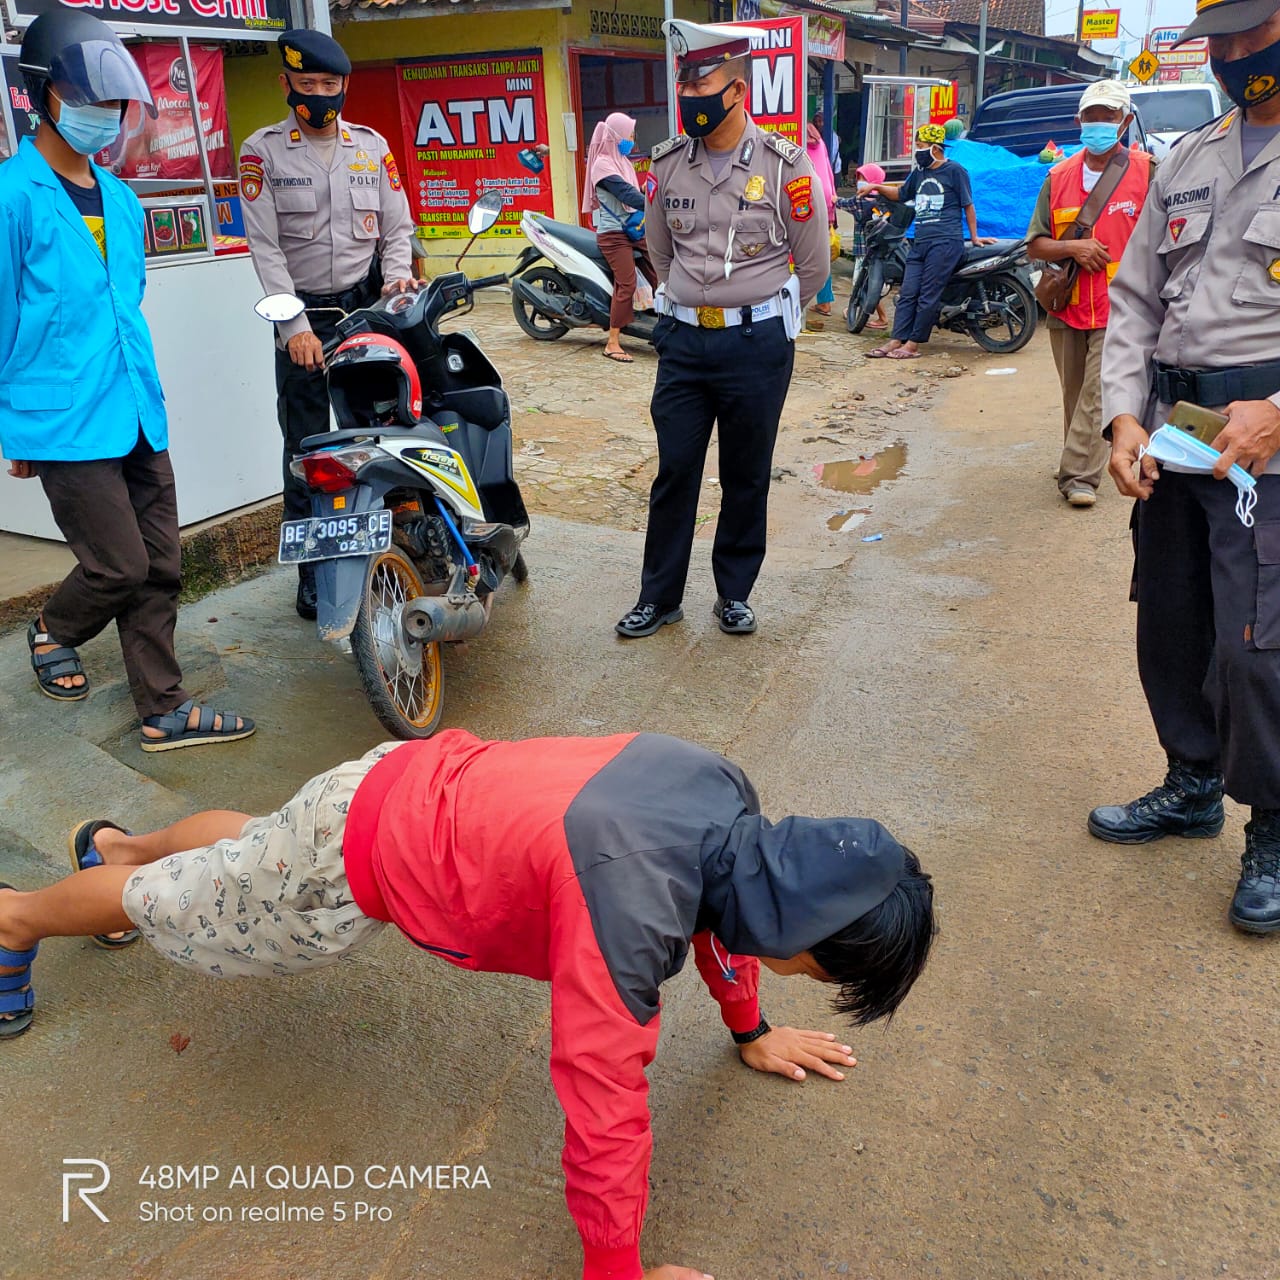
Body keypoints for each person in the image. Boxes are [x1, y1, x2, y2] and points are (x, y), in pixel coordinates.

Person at [0, 729, 937, 1280]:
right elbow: (604, 1100)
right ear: (804, 935)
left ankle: (121, 843)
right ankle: (20, 919)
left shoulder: (725, 798)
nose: (822, 981)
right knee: (187, 903)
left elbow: (722, 918)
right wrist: (617, 1273)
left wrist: (751, 1029)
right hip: (362, 854)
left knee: (256, 849)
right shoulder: (629, 910)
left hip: (389, 781)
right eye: (830, 972)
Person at [1, 11, 253, 760]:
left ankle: (164, 709)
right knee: (119, 563)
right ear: (44, 96)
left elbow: (126, 302)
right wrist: (14, 429)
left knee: (163, 562)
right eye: (91, 103)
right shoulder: (12, 197)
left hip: (137, 404)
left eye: (114, 106)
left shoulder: (119, 197)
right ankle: (55, 629)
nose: (104, 120)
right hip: (62, 416)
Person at [1095, 0, 1280, 934]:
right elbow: (1131, 300)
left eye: (1258, 36)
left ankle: (1275, 830)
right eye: (1225, 43)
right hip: (1177, 432)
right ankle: (1192, 783)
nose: (1240, 58)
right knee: (1170, 620)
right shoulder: (1190, 157)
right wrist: (1123, 417)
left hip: (1268, 448)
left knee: (1260, 647)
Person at [615, 19, 830, 640]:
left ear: (737, 91)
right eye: (683, 83)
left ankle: (734, 593)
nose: (689, 96)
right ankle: (660, 598)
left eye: (701, 82)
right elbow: (658, 250)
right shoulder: (667, 165)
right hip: (683, 344)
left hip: (755, 345)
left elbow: (812, 268)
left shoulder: (786, 169)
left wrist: (758, 310)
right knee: (675, 469)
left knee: (745, 473)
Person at [240, 31, 415, 621]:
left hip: (366, 306)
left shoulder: (371, 148)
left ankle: (391, 555)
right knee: (308, 448)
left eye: (329, 85)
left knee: (379, 434)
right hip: (304, 316)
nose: (319, 95)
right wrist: (293, 327)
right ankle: (313, 574)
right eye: (307, 85)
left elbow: (397, 229)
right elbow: (265, 249)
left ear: (344, 85)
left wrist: (396, 284)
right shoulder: (261, 152)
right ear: (286, 85)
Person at [1027, 80, 1154, 509]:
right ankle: (1076, 455)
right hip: (1067, 305)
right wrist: (1072, 246)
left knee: (1099, 394)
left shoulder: (1148, 171)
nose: (1099, 123)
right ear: (1079, 120)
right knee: (1075, 393)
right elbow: (1036, 244)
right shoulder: (1058, 176)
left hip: (1122, 307)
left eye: (1109, 115)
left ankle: (1079, 475)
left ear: (1126, 121)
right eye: (1092, 116)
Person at [862, 123, 992, 360]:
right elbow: (901, 194)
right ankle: (895, 340)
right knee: (908, 293)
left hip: (945, 242)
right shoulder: (919, 174)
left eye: (920, 147)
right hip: (920, 241)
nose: (917, 151)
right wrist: (877, 187)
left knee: (927, 295)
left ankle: (912, 344)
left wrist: (974, 236)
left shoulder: (955, 171)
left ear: (935, 148)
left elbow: (968, 205)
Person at [584, 111, 659, 364]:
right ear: (615, 136)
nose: (631, 139)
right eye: (628, 134)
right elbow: (627, 195)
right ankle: (613, 342)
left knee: (662, 270)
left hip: (634, 229)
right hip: (614, 235)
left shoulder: (623, 161)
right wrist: (659, 204)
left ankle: (666, 328)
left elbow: (639, 191)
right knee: (626, 283)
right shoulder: (602, 164)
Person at [806, 119, 838, 329]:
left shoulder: (797, 144)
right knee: (821, 253)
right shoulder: (822, 144)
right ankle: (825, 302)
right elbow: (828, 171)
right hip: (827, 199)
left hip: (807, 199)